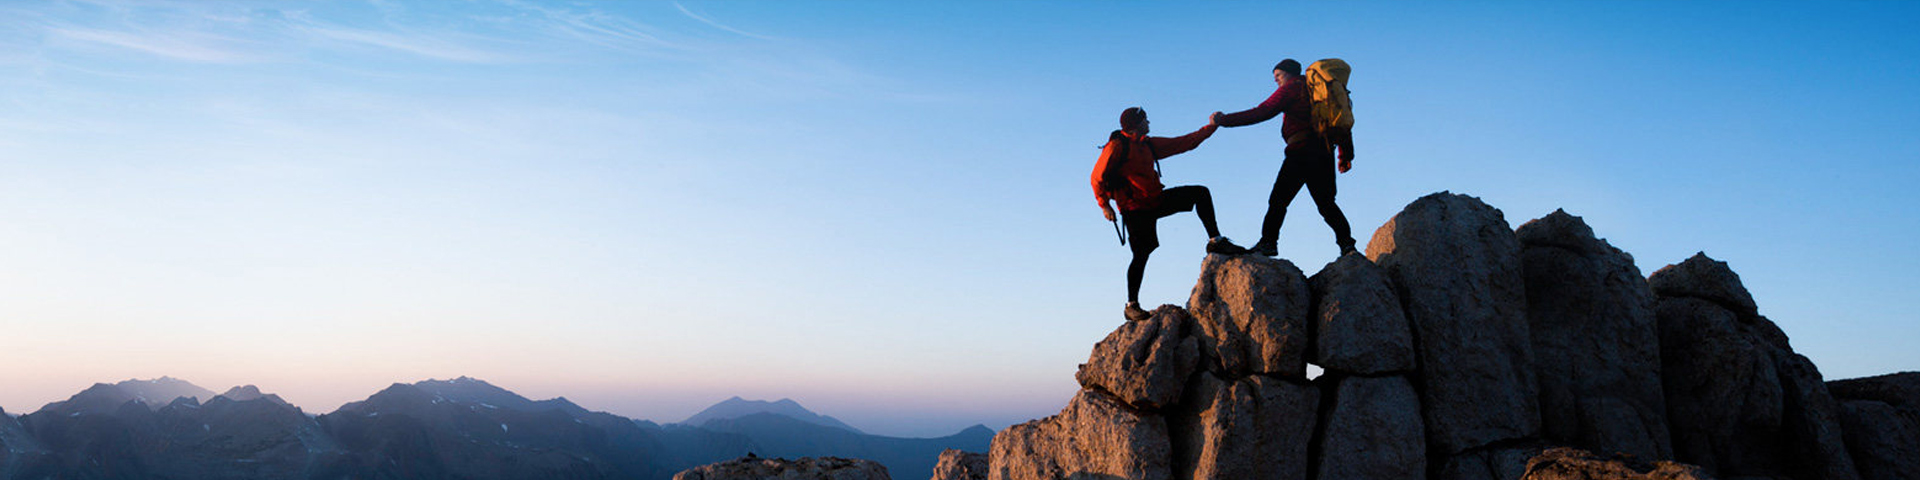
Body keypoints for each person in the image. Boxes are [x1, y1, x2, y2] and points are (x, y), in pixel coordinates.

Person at [1092, 107, 1246, 321]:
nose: (1149, 122)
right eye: (1146, 119)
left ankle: (1216, 240)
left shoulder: (1148, 144)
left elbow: (1183, 143)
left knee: (1200, 193)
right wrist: (1104, 206)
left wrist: (1211, 128)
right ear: (1136, 124)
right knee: (1141, 254)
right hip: (1134, 208)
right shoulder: (1117, 146)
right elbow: (1097, 177)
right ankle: (1131, 305)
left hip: (1155, 199)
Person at [1212, 59, 1358, 258]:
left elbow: (1262, 111)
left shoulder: (1293, 88)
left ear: (1289, 73)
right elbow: (1339, 122)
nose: (1276, 81)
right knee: (1326, 203)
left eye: (1278, 76)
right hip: (1324, 152)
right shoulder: (1320, 91)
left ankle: (1268, 243)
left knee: (1278, 200)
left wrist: (1224, 120)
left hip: (1301, 152)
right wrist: (1345, 154)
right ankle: (1347, 245)